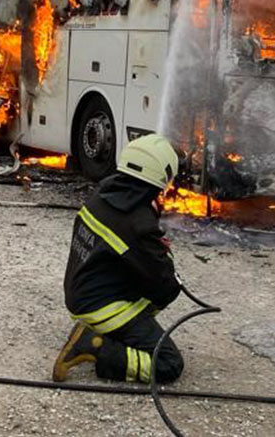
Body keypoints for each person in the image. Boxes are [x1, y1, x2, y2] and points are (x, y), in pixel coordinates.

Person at [52, 134, 185, 386]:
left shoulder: (102, 195)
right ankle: (94, 345)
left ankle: (106, 332)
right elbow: (165, 287)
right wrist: (162, 254)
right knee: (168, 364)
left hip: (79, 294)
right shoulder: (138, 224)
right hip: (102, 307)